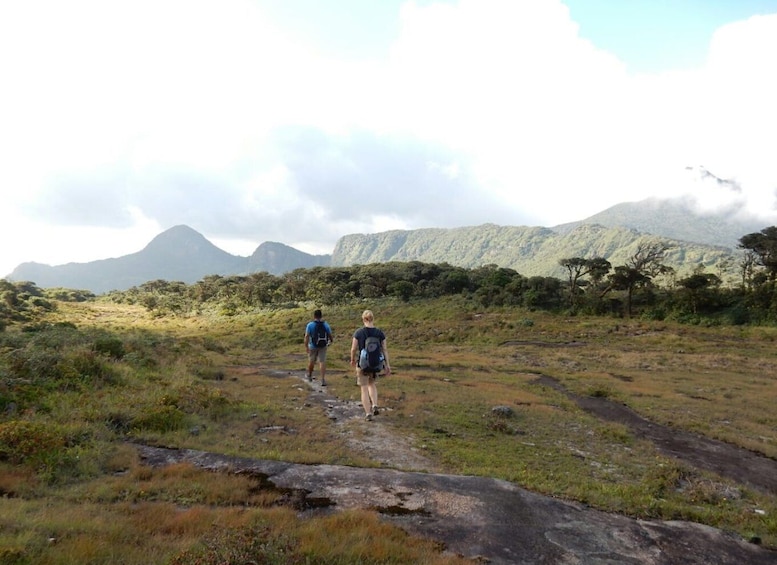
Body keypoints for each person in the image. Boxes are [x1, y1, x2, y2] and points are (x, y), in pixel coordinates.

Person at [350, 309, 391, 421]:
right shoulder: (379, 333)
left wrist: (352, 359)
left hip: (362, 364)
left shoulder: (359, 332)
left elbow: (353, 348)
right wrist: (387, 365)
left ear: (363, 319)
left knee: (364, 388)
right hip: (375, 363)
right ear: (373, 318)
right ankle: (375, 404)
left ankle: (368, 413)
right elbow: (385, 349)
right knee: (372, 384)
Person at [304, 309, 333, 386]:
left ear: (314, 316)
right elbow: (330, 335)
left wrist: (306, 346)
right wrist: (330, 342)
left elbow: (307, 336)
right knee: (322, 361)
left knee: (311, 361)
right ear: (321, 316)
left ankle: (310, 375)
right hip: (323, 346)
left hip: (312, 345)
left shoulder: (310, 325)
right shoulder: (326, 324)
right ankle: (323, 379)